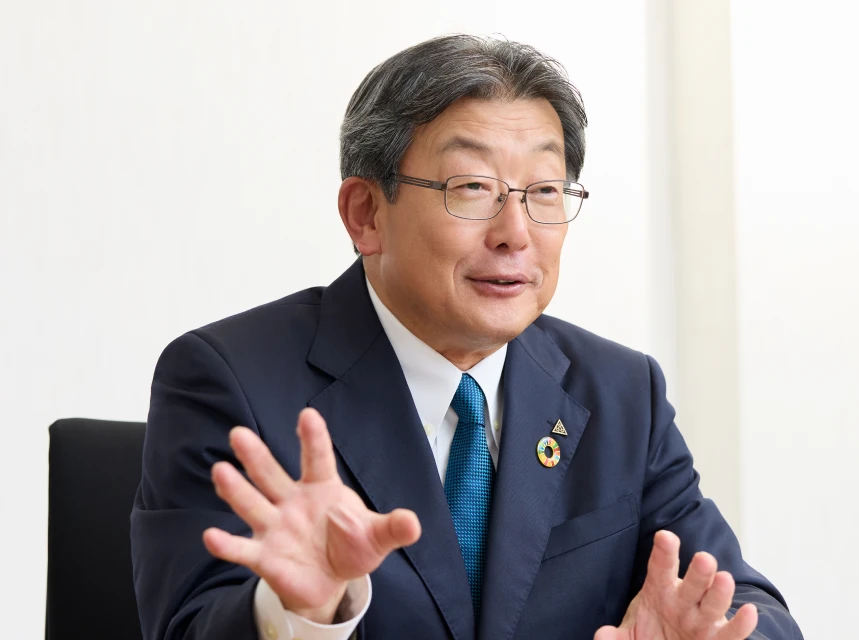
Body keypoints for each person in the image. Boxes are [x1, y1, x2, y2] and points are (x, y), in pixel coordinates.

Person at [131, 35, 802, 640]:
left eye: (545, 190)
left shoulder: (622, 391)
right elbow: (190, 626)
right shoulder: (231, 382)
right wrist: (299, 613)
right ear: (366, 215)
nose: (516, 233)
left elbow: (747, 603)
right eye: (473, 187)